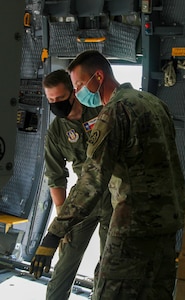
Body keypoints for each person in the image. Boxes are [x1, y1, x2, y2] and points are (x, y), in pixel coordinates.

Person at [30, 51, 185, 300]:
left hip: (132, 225)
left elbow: (92, 182)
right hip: (168, 222)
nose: (79, 93)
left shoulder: (114, 112)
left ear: (98, 77)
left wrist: (54, 234)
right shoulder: (154, 103)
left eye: (79, 86)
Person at [34, 69, 112, 300]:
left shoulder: (101, 110)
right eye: (50, 101)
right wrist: (61, 217)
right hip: (82, 201)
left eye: (59, 99)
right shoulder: (56, 132)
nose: (55, 104)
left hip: (115, 197)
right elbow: (56, 176)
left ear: (73, 93)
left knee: (109, 265)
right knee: (65, 263)